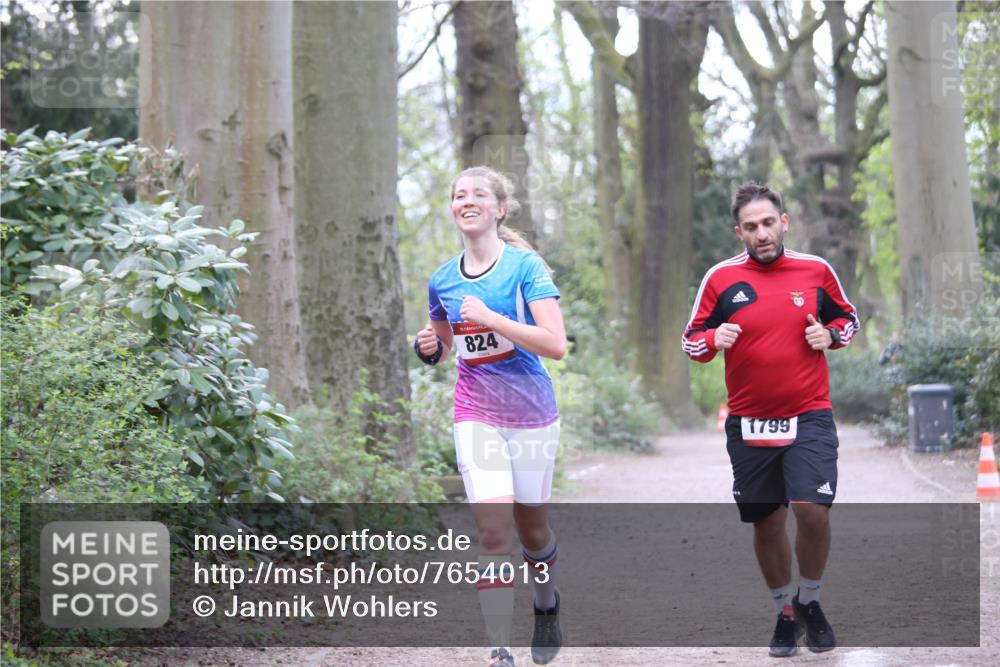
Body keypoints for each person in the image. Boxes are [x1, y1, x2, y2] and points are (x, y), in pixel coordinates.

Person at [682, 182, 860, 657]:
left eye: (768, 223)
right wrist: (714, 336)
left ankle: (812, 601)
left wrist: (831, 335)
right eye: (751, 227)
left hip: (810, 414)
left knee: (811, 510)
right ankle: (785, 611)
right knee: (767, 522)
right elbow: (691, 341)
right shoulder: (720, 278)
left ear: (784, 222)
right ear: (738, 231)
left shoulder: (815, 270)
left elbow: (848, 319)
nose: (761, 234)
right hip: (749, 422)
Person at [413, 166, 567, 667]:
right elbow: (446, 346)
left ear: (500, 209)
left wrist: (494, 318)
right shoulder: (442, 279)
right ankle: (500, 648)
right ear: (454, 209)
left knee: (533, 532)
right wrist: (429, 347)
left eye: (479, 194)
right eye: (460, 195)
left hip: (531, 413)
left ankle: (546, 603)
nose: (468, 200)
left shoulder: (525, 268)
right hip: (475, 410)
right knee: (495, 531)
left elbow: (556, 345)